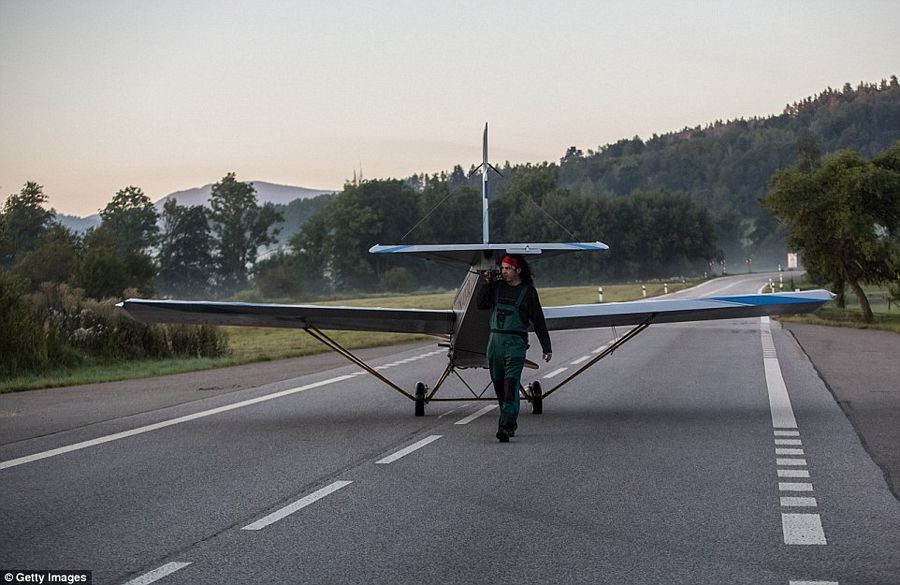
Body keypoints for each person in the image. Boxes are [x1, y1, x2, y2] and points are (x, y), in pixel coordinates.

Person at [477, 254, 552, 442]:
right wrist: (486, 282)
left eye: (507, 268)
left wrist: (546, 347)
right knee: (500, 387)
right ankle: (509, 421)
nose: (503, 272)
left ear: (518, 270)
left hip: (515, 345)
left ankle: (505, 427)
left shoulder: (528, 292)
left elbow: (539, 321)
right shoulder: (497, 287)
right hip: (494, 343)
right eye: (502, 268)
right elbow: (481, 304)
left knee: (511, 386)